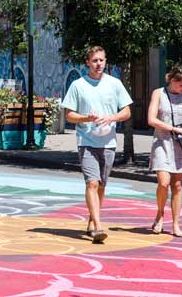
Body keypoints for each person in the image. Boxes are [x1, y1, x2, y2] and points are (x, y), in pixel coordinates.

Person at [61, 46, 133, 243]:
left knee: (101, 185)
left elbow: (126, 111)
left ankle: (93, 219)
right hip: (87, 141)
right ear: (87, 62)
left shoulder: (115, 83)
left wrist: (112, 117)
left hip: (108, 142)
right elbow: (69, 114)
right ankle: (99, 227)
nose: (98, 64)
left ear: (105, 61)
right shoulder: (78, 85)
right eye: (94, 60)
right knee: (92, 183)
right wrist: (86, 118)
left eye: (101, 60)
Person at [147, 65, 182, 238]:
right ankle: (160, 214)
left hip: (181, 143)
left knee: (177, 185)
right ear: (172, 80)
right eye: (181, 85)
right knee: (164, 183)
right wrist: (172, 128)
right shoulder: (158, 93)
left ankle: (176, 224)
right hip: (162, 142)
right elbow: (151, 119)